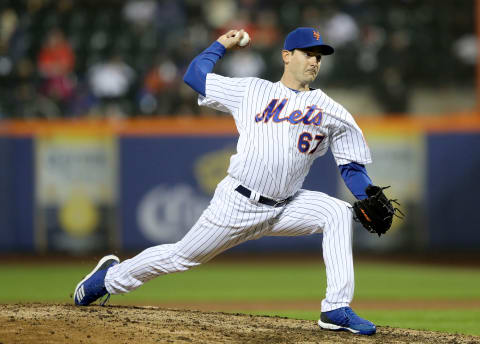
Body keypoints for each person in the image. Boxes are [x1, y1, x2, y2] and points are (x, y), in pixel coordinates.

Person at [74, 27, 381, 336]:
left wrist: (368, 192)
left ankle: (335, 308)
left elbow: (351, 165)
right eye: (307, 54)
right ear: (286, 56)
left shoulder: (333, 112)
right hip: (238, 203)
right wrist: (221, 44)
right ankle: (107, 279)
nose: (314, 61)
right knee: (181, 257)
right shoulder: (253, 91)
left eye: (318, 57)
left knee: (338, 213)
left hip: (287, 205)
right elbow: (195, 76)